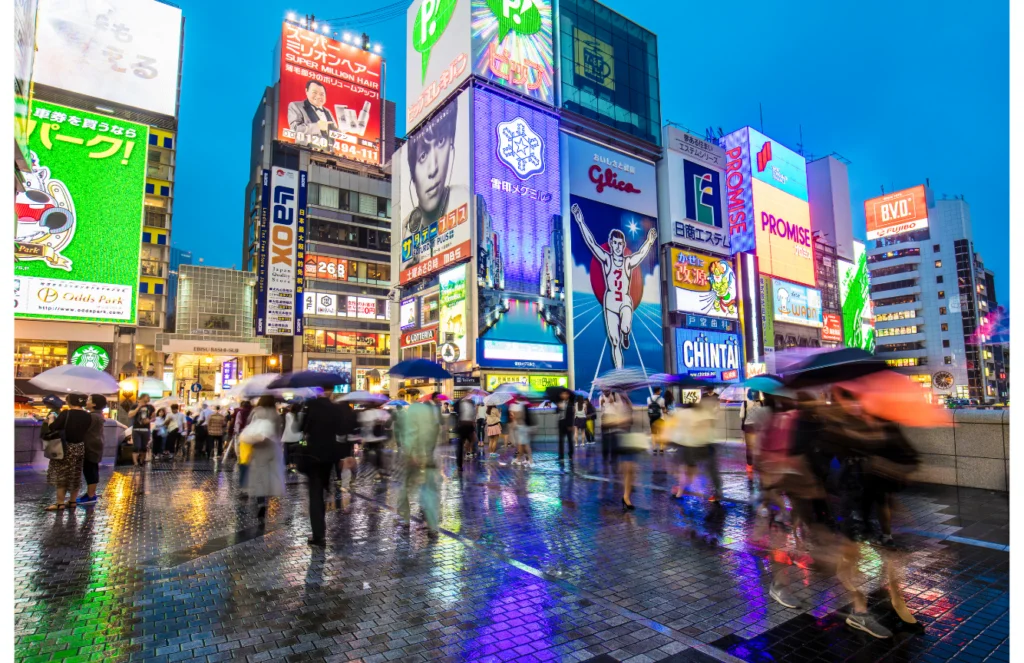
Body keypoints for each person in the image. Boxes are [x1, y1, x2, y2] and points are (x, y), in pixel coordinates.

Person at [570, 202, 657, 369]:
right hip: (610, 302)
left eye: (620, 243)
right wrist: (580, 220)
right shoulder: (607, 259)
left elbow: (641, 254)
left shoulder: (627, 261)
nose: (617, 246)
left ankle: (626, 333)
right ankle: (619, 371)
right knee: (614, 341)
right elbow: (592, 243)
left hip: (624, 300)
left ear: (623, 246)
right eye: (614, 243)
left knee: (624, 327)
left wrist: (650, 241)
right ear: (610, 243)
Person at [403, 101, 461, 242]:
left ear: (451, 148)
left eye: (441, 141)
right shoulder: (406, 229)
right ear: (412, 174)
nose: (433, 168)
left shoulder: (463, 199)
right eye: (423, 156)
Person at [666, 390, 723, 502]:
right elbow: (711, 425)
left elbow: (676, 428)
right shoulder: (704, 413)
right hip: (707, 445)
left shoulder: (682, 413)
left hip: (690, 446)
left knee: (685, 469)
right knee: (711, 470)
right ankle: (717, 492)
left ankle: (681, 491)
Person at [395, 401, 441, 536]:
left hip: (414, 457)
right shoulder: (432, 413)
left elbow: (410, 434)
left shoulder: (412, 410)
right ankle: (433, 527)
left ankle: (405, 519)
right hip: (429, 457)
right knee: (429, 493)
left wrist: (411, 454)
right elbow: (436, 432)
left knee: (404, 489)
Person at [43, 393, 91, 510]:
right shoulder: (87, 416)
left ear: (71, 402)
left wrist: (50, 419)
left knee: (62, 475)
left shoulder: (66, 413)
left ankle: (60, 503)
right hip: (80, 447)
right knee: (75, 474)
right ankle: (73, 501)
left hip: (65, 448)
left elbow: (53, 427)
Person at [243, 397, 285, 524]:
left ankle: (261, 502)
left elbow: (251, 430)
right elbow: (279, 433)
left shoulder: (256, 413)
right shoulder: (276, 414)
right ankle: (266, 499)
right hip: (273, 449)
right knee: (270, 476)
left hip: (260, 448)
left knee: (259, 477)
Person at [76, 394, 107, 506]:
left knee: (90, 470)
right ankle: (90, 494)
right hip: (95, 445)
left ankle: (90, 495)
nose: (86, 402)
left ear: (94, 404)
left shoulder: (92, 416)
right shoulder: (97, 415)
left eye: (89, 400)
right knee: (91, 469)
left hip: (91, 446)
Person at [287, 79, 337, 144]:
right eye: (314, 93)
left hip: (329, 152)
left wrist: (343, 131)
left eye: (322, 94)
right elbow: (294, 129)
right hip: (306, 150)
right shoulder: (295, 106)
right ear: (306, 91)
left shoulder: (328, 111)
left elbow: (334, 132)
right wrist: (317, 126)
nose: (319, 96)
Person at [358, 404, 390, 481]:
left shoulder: (365, 414)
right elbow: (388, 419)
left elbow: (361, 424)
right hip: (379, 437)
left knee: (370, 455)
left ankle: (370, 471)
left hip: (370, 438)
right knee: (379, 453)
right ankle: (382, 470)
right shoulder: (380, 412)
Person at [127, 393, 154, 466]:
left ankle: (142, 461)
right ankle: (135, 462)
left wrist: (150, 420)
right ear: (142, 397)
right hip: (136, 429)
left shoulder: (150, 407)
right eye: (147, 397)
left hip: (146, 429)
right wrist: (138, 407)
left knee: (144, 447)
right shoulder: (135, 406)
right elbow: (130, 415)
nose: (148, 398)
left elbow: (154, 416)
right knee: (136, 446)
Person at [455, 396, 477, 473]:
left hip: (470, 426)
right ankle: (459, 464)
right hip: (462, 426)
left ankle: (469, 453)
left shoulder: (472, 404)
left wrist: (473, 426)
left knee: (473, 441)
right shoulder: (459, 403)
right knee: (460, 445)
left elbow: (473, 416)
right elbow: (456, 414)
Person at [281, 403, 304, 472]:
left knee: (287, 455)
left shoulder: (287, 415)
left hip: (287, 438)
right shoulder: (301, 415)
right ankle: (294, 468)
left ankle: (288, 468)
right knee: (296, 455)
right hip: (298, 438)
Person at [510, 399, 533, 467]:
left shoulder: (521, 408)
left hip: (521, 428)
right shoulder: (524, 407)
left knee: (522, 445)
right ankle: (527, 460)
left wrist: (514, 415)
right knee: (524, 445)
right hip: (523, 428)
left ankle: (520, 459)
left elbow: (519, 417)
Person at [647, 387, 667, 454]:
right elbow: (663, 409)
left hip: (652, 419)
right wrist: (665, 410)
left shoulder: (648, 399)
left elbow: (649, 407)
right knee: (661, 434)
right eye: (660, 391)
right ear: (658, 391)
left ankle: (654, 449)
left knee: (653, 434)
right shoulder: (662, 399)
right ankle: (661, 449)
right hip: (660, 418)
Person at [556, 390, 574, 462]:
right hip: (561, 423)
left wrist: (570, 425)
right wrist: (558, 407)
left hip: (568, 424)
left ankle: (570, 454)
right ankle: (561, 456)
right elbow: (556, 412)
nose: (563, 395)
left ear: (568, 395)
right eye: (562, 394)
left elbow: (571, 415)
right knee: (561, 440)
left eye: (564, 394)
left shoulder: (571, 403)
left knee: (569, 440)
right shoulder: (560, 402)